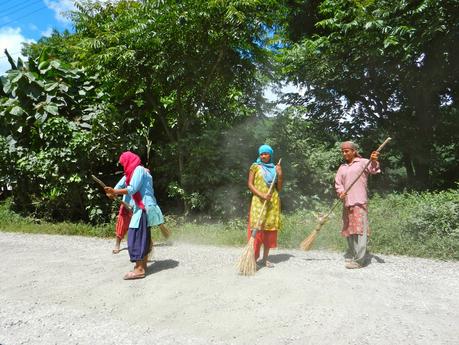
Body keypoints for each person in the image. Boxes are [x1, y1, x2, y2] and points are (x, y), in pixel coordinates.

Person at [104, 151, 168, 280]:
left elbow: (132, 188)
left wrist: (115, 191)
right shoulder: (131, 173)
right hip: (142, 207)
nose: (123, 166)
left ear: (129, 161)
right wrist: (112, 192)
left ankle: (139, 269)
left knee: (135, 236)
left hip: (143, 207)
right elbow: (119, 186)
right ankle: (142, 265)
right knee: (142, 236)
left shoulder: (139, 170)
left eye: (124, 164)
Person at [335, 141, 380, 269]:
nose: (344, 153)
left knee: (360, 230)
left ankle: (360, 260)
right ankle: (355, 254)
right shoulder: (342, 167)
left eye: (347, 151)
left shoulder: (363, 162)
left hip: (359, 201)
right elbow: (338, 182)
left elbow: (374, 169)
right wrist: (341, 192)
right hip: (347, 202)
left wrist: (374, 160)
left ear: (354, 151)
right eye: (343, 151)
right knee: (350, 230)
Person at [247, 144, 283, 268]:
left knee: (269, 230)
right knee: (256, 230)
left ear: (270, 155)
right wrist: (262, 195)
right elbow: (250, 184)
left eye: (266, 153)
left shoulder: (275, 168)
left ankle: (265, 259)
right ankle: (253, 258)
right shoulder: (255, 166)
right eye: (261, 154)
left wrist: (280, 174)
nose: (263, 156)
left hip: (272, 202)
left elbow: (279, 188)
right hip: (258, 201)